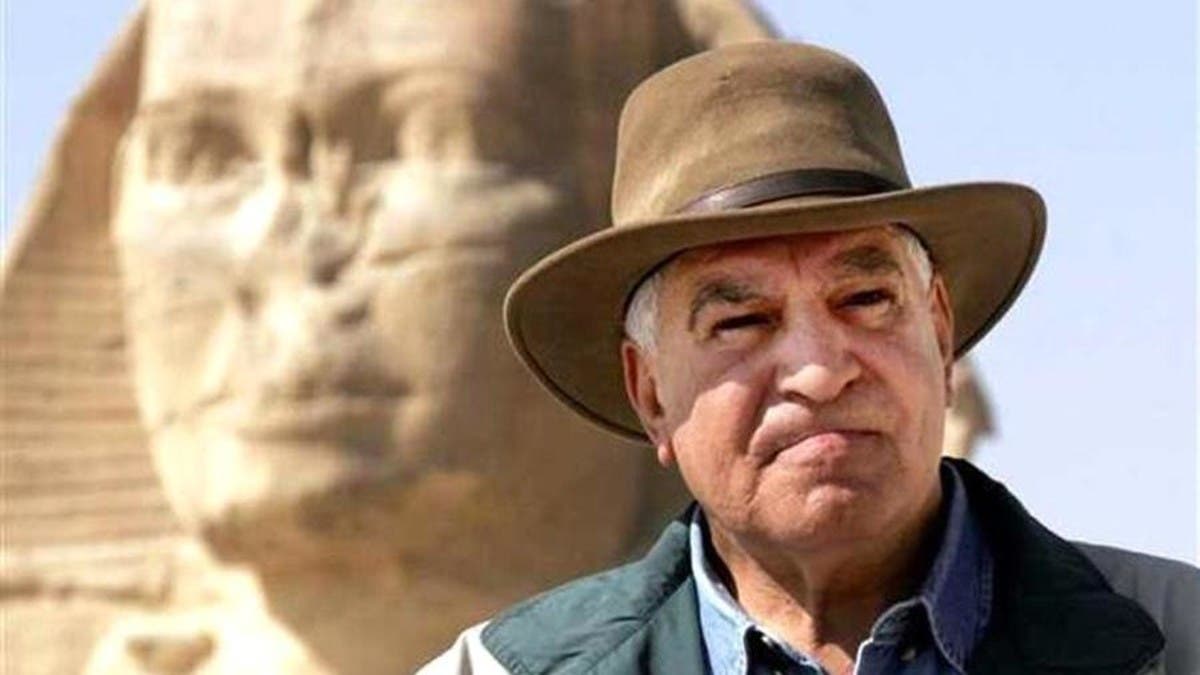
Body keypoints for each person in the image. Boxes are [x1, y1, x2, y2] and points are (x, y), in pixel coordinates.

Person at [420, 41, 1199, 674]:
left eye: (864, 300)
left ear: (939, 334)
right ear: (649, 389)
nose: (820, 372)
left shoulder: (1176, 641)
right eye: (742, 321)